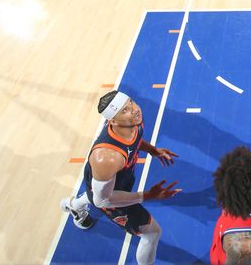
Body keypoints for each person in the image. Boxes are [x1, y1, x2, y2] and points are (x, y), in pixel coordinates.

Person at [60, 90, 180, 265]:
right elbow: (102, 201)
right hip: (104, 184)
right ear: (112, 121)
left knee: (99, 191)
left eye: (131, 102)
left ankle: (73, 206)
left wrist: (154, 151)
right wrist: (146, 195)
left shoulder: (133, 121)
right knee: (153, 232)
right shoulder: (108, 158)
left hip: (109, 178)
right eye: (124, 110)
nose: (133, 109)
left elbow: (136, 139)